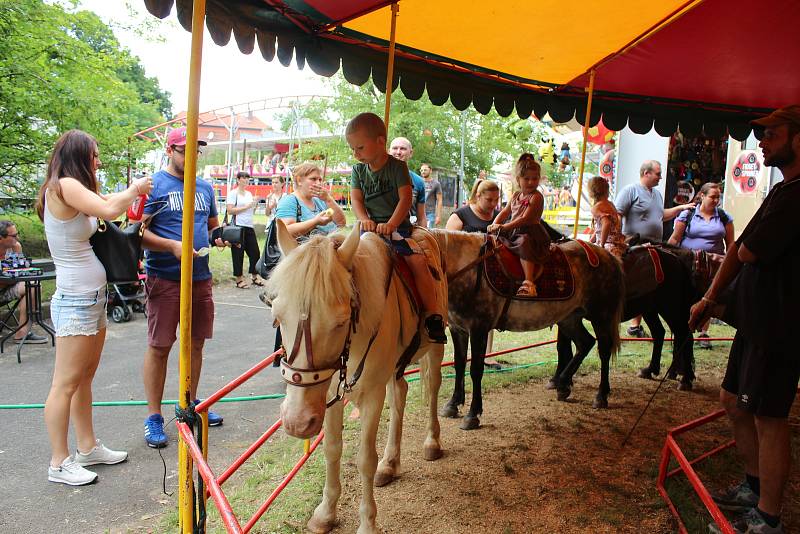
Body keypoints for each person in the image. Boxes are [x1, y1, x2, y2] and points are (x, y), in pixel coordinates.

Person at [693, 105, 800, 534]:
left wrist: (742, 253)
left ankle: (769, 517)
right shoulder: (782, 190)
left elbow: (750, 251)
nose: (762, 141)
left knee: (769, 417)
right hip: (756, 322)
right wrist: (710, 295)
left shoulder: (798, 195)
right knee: (731, 402)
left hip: (782, 326)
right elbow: (740, 249)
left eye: (772, 134)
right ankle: (754, 487)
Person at [36, 129, 152, 485]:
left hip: (91, 297)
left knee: (83, 379)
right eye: (94, 155)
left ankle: (87, 448)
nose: (98, 161)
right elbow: (108, 209)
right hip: (75, 299)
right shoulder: (65, 185)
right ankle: (59, 461)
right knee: (65, 383)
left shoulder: (72, 187)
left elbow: (105, 212)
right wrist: (136, 189)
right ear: (78, 155)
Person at [139, 126, 227, 448]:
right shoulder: (154, 185)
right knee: (160, 346)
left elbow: (213, 227)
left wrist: (221, 239)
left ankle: (189, 404)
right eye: (184, 150)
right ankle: (153, 417)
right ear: (169, 151)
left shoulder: (204, 188)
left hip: (200, 278)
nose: (191, 156)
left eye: (196, 151)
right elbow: (138, 233)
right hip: (164, 277)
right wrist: (172, 246)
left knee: (196, 343)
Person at [346, 112, 446, 343]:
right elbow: (357, 201)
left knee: (418, 261)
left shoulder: (397, 168)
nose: (356, 153)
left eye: (360, 147)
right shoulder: (358, 171)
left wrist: (391, 224)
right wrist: (364, 219)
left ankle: (433, 315)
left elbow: (405, 199)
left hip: (397, 228)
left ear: (381, 142)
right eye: (353, 149)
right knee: (347, 260)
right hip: (369, 229)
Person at [270, 162, 347, 364]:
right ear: (299, 180)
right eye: (313, 179)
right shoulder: (290, 201)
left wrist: (329, 199)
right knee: (297, 315)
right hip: (300, 270)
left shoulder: (320, 202)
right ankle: (290, 358)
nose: (318, 183)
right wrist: (315, 222)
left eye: (320, 179)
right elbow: (285, 230)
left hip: (323, 267)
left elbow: (341, 222)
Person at [615, 160, 695, 337]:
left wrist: (681, 208)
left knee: (652, 286)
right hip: (636, 247)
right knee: (636, 285)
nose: (660, 177)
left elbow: (661, 215)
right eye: (658, 173)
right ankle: (629, 318)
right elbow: (617, 214)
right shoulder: (630, 191)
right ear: (646, 174)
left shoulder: (657, 194)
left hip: (654, 247)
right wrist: (619, 239)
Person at [667, 182, 734, 348]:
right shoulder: (687, 215)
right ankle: (683, 330)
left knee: (708, 296)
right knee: (686, 295)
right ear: (702, 196)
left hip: (713, 264)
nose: (716, 200)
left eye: (718, 197)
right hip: (688, 263)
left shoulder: (724, 217)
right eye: (712, 196)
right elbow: (675, 238)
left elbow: (731, 244)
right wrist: (667, 256)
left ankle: (703, 333)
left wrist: (730, 263)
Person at [487, 154, 551, 297]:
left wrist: (504, 227)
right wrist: (494, 224)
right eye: (526, 179)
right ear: (518, 180)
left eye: (534, 179)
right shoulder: (516, 195)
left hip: (531, 232)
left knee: (524, 242)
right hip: (513, 230)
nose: (530, 182)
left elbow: (525, 218)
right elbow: (505, 212)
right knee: (493, 242)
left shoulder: (536, 197)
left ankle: (528, 282)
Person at [0, 221, 48, 344]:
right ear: (1, 238)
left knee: (32, 285)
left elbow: (20, 271)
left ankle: (22, 333)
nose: (17, 238)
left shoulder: (15, 247)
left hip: (6, 288)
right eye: (14, 236)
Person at [226, 171, 264, 289]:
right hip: (238, 226)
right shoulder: (233, 193)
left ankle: (254, 275)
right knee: (238, 253)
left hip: (249, 225)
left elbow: (250, 211)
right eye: (243, 178)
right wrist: (247, 206)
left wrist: (254, 204)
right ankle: (239, 278)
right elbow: (230, 210)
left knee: (255, 252)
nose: (246, 180)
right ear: (238, 180)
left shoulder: (248, 194)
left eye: (248, 178)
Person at [389, 137, 427, 227]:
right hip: (379, 231)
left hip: (406, 232)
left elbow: (421, 217)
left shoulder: (418, 181)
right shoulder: (377, 176)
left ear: (411, 153)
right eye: (395, 148)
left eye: (403, 149)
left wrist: (424, 235)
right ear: (389, 151)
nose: (398, 152)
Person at [588, 177, 626, 259]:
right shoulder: (611, 204)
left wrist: (602, 244)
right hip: (618, 243)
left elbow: (606, 223)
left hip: (609, 245)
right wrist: (590, 242)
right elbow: (599, 228)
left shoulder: (596, 208)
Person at [421, 162, 443, 227]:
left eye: (425, 170)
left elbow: (439, 200)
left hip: (430, 213)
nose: (423, 172)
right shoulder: (418, 182)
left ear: (430, 171)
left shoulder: (436, 184)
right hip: (418, 212)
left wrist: (438, 216)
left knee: (426, 233)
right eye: (421, 170)